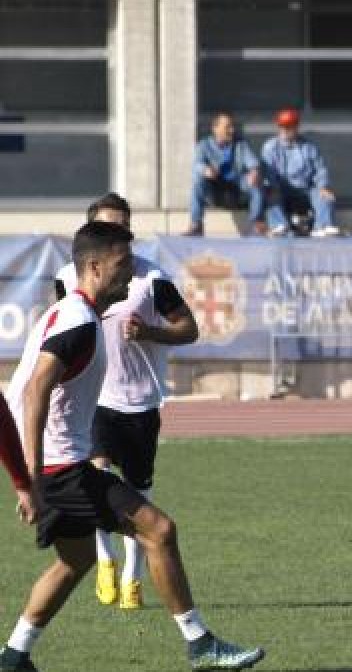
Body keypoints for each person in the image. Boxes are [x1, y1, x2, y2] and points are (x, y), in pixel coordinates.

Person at [0, 221, 263, 671]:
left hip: (55, 464)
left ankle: (14, 654)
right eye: (123, 266)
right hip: (61, 468)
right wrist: (31, 479)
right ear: (95, 267)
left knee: (77, 558)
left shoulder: (71, 314)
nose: (131, 276)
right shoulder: (79, 322)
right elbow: (34, 391)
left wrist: (29, 475)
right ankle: (200, 644)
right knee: (159, 530)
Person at [54, 193, 200, 611]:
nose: (118, 234)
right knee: (97, 477)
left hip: (140, 403)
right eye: (108, 227)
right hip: (95, 399)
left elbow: (189, 329)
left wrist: (151, 333)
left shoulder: (151, 278)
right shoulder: (68, 278)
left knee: (137, 493)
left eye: (124, 228)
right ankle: (105, 561)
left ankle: (133, 578)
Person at [260, 107, 339, 238]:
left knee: (325, 196)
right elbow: (268, 172)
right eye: (282, 126)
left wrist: (323, 186)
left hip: (306, 189)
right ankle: (280, 226)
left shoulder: (309, 147)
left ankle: (322, 226)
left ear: (296, 127)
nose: (285, 130)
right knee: (270, 196)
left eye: (289, 126)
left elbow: (320, 169)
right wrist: (272, 187)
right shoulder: (270, 147)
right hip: (281, 189)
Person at [188, 111, 265, 237]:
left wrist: (254, 172)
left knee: (255, 181)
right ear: (215, 128)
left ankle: (256, 223)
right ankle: (196, 224)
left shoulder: (240, 144)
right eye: (227, 127)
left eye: (232, 126)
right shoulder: (204, 145)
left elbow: (253, 164)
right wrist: (206, 170)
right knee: (197, 179)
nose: (232, 130)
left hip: (236, 189)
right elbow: (197, 164)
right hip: (214, 191)